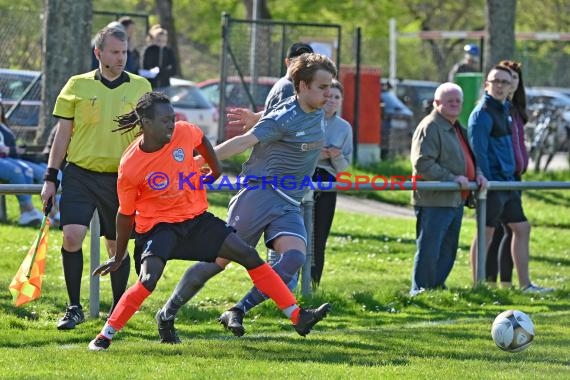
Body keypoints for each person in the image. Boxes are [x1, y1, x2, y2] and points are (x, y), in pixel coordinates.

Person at [87, 92, 330, 350]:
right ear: (146, 123)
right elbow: (125, 214)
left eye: (173, 118)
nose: (172, 124)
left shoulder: (183, 132)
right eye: (165, 120)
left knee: (249, 255)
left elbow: (201, 140)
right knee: (148, 280)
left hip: (196, 219)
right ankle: (105, 335)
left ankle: (297, 316)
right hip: (158, 228)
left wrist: (215, 170)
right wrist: (118, 255)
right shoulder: (131, 164)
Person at [155, 53, 337, 340]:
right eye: (323, 87)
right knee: (217, 262)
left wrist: (258, 117)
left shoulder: (315, 111)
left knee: (294, 258)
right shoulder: (284, 116)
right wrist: (193, 161)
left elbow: (282, 121)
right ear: (302, 86)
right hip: (259, 194)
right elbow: (241, 142)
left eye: (331, 87)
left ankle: (238, 310)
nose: (330, 94)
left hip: (289, 202)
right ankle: (167, 313)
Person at [41, 26, 152, 330]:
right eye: (115, 52)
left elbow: (152, 135)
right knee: (72, 236)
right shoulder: (77, 85)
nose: (121, 58)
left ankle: (118, 313)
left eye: (124, 52)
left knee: (117, 249)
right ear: (98, 53)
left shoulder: (142, 87)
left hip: (121, 179)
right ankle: (74, 307)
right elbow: (62, 135)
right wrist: (51, 177)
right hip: (79, 175)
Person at [467, 66, 552, 293]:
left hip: (508, 182)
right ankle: (478, 286)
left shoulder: (505, 109)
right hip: (492, 184)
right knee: (485, 234)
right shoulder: (482, 113)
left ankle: (525, 285)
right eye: (496, 81)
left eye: (505, 82)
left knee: (522, 228)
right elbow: (479, 151)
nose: (501, 86)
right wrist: (482, 176)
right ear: (487, 83)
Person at [409, 82, 486, 296]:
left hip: (455, 199)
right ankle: (421, 291)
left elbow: (470, 157)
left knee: (447, 250)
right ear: (436, 103)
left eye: (457, 101)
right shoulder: (430, 126)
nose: (454, 104)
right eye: (448, 100)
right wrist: (452, 178)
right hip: (434, 200)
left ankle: (436, 289)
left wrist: (477, 174)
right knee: (429, 249)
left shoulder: (457, 127)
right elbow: (422, 164)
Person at [485, 60, 529, 288]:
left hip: (512, 178)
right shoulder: (491, 111)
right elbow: (482, 147)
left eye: (513, 78)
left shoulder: (512, 110)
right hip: (497, 179)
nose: (508, 83)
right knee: (493, 232)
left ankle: (512, 283)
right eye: (502, 79)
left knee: (517, 229)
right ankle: (489, 283)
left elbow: (517, 143)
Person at [311, 79, 353, 288]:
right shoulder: (309, 118)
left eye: (337, 97)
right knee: (299, 234)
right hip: (305, 177)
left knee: (320, 235)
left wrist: (335, 156)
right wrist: (316, 153)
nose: (332, 101)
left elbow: (344, 168)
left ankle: (313, 285)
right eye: (328, 96)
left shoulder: (344, 128)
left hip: (328, 181)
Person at [225, 42, 314, 131]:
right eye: (297, 61)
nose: (303, 66)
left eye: (307, 62)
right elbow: (280, 126)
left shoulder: (296, 87)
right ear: (287, 62)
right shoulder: (287, 88)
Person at [0, 98, 44, 226]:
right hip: (5, 159)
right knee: (17, 170)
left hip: (8, 158)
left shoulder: (4, 125)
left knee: (29, 170)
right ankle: (28, 210)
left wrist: (14, 150)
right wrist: (13, 150)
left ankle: (29, 212)